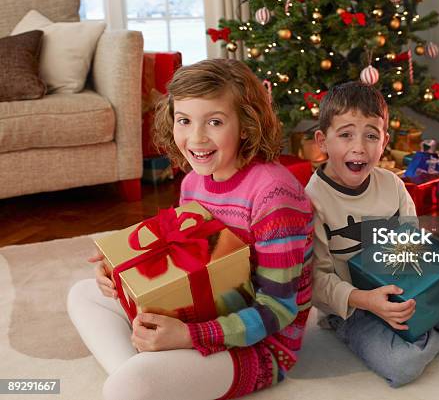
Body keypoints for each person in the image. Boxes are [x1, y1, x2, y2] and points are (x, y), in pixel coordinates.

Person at [67, 59, 313, 400]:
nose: (196, 138)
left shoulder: (274, 195)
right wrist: (122, 270)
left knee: (129, 386)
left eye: (214, 121)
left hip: (261, 346)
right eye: (184, 121)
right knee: (83, 293)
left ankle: (142, 375)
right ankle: (147, 371)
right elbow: (185, 257)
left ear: (245, 124)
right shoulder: (195, 181)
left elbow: (278, 310)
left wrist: (187, 336)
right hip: (205, 309)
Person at [305, 81, 439, 387]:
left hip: (409, 291)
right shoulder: (311, 201)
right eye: (346, 134)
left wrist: (436, 275)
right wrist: (367, 301)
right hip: (354, 308)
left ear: (384, 141)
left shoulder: (393, 185)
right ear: (323, 141)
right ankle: (433, 323)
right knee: (403, 364)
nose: (359, 147)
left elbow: (412, 246)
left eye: (371, 136)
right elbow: (316, 280)